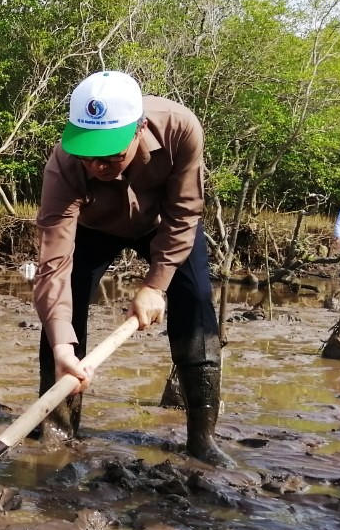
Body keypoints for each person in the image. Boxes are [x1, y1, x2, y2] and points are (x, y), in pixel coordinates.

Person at [32, 70, 229, 466]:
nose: (97, 165)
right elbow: (53, 262)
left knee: (196, 301)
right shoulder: (66, 164)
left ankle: (202, 439)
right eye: (89, 153)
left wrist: (155, 285)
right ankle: (59, 429)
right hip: (93, 228)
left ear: (138, 129)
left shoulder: (180, 128)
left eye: (110, 154)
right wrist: (61, 345)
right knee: (62, 316)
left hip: (162, 224)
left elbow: (185, 211)